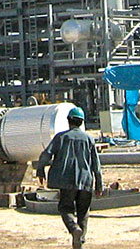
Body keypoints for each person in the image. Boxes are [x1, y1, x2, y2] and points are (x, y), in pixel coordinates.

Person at [35, 106, 103, 249]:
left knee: (65, 208)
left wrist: (40, 169)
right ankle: (80, 241)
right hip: (85, 181)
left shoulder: (61, 138)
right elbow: (96, 165)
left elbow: (46, 155)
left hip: (66, 181)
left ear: (68, 121)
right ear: (82, 122)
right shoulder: (89, 139)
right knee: (83, 212)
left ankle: (74, 228)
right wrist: (99, 184)